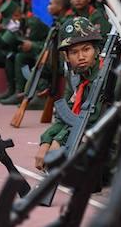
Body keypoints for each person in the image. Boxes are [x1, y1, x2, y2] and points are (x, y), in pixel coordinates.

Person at [35, 16, 104, 170]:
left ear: (96, 50)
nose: (81, 57)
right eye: (74, 52)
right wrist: (46, 141)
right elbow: (66, 116)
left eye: (86, 49)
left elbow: (91, 119)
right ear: (66, 56)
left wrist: (58, 141)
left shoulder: (106, 77)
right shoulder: (76, 77)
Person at [0, 0, 49, 105]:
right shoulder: (20, 25)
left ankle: (27, 92)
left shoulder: (33, 23)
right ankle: (14, 91)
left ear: (17, 14)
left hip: (46, 50)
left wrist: (28, 44)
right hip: (34, 50)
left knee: (21, 57)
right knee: (10, 55)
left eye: (12, 18)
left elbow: (35, 44)